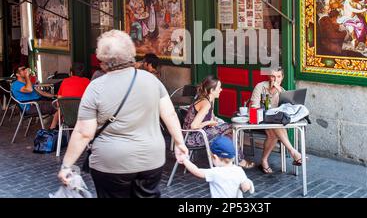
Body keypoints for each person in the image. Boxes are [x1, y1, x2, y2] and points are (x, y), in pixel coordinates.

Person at [58, 30, 188, 198]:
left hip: (111, 163)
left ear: (102, 59)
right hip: (150, 158)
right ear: (131, 53)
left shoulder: (96, 87)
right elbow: (169, 114)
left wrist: (67, 165)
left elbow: (84, 132)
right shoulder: (152, 80)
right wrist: (179, 143)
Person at [183, 76, 255, 169]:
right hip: (192, 137)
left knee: (229, 135)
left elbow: (209, 117)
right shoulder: (206, 103)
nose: (221, 90)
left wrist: (215, 121)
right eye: (219, 88)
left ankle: (229, 161)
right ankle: (238, 160)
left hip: (199, 133)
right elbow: (193, 126)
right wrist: (209, 122)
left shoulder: (208, 99)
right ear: (212, 91)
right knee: (231, 127)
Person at [250, 68, 304, 174]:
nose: (275, 79)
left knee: (273, 133)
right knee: (275, 126)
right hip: (259, 118)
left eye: (278, 77)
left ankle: (264, 160)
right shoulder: (260, 86)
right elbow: (254, 106)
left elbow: (288, 109)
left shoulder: (282, 91)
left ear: (282, 77)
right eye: (273, 76)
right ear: (269, 76)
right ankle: (293, 152)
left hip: (273, 123)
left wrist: (280, 92)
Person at [180, 136, 254, 198]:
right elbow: (246, 187)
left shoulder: (215, 172)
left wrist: (185, 160)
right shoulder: (239, 170)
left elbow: (197, 171)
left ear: (215, 157)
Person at [49, 63, 91, 130]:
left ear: (71, 73)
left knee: (59, 110)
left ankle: (51, 130)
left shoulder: (65, 81)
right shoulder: (87, 81)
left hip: (68, 118)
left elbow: (59, 101)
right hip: (84, 118)